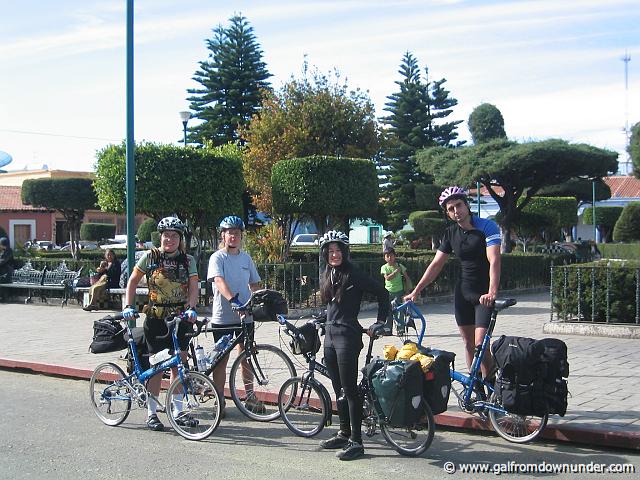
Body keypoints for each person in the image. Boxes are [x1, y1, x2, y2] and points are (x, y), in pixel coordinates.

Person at [405, 186, 501, 380]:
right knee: (468, 344)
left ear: (466, 205)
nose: (456, 210)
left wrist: (492, 291)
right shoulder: (450, 233)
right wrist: (416, 291)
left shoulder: (486, 227)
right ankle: (476, 388)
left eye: (459, 205)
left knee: (480, 344)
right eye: (451, 208)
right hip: (463, 293)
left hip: (483, 294)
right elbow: (436, 265)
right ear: (448, 213)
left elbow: (494, 259)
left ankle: (492, 383)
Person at [318, 230, 390, 461]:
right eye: (331, 251)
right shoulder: (328, 274)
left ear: (345, 252)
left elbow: (382, 293)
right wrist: (321, 319)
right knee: (338, 389)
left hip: (347, 337)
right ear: (325, 254)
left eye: (338, 250)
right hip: (330, 337)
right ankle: (344, 432)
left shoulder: (354, 274)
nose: (335, 254)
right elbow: (333, 306)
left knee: (349, 390)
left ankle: (357, 442)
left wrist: (380, 322)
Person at [122, 217, 199, 432]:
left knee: (179, 364)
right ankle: (152, 413)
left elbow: (194, 286)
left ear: (180, 239)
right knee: (157, 367)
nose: (170, 239)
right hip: (156, 318)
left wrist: (192, 307)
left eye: (174, 236)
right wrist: (128, 305)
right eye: (166, 235)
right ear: (160, 237)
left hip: (180, 319)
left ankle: (178, 411)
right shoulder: (150, 257)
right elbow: (133, 281)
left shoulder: (188, 260)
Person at [207, 215, 262, 416]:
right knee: (221, 360)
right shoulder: (217, 258)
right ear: (223, 235)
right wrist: (233, 300)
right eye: (230, 233)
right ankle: (219, 399)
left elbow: (254, 284)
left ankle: (250, 396)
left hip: (245, 316)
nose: (234, 236)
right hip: (223, 317)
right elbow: (219, 281)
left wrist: (260, 300)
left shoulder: (246, 258)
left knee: (246, 356)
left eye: (237, 233)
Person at [380, 247, 412, 335]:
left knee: (399, 311)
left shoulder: (400, 266)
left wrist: (408, 291)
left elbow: (407, 278)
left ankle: (400, 329)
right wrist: (396, 272)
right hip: (388, 292)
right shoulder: (384, 267)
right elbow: (387, 278)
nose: (390, 258)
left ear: (395, 256)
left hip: (399, 292)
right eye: (387, 256)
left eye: (391, 255)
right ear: (384, 258)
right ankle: (387, 329)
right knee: (388, 311)